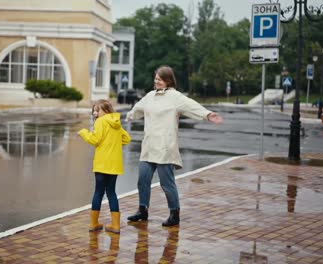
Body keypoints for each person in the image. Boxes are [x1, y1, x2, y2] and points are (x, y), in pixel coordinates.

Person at [126, 65, 223, 226]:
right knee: (142, 179)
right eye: (156, 78)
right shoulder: (149, 96)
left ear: (168, 81)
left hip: (165, 147)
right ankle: (142, 210)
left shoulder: (175, 97)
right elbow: (138, 108)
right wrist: (129, 116)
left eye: (160, 79)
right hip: (149, 146)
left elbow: (192, 105)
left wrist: (207, 114)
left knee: (167, 183)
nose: (156, 81)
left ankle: (174, 213)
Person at [78, 99, 131, 233]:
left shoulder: (101, 122)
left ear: (106, 110)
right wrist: (113, 143)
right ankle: (116, 225)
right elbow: (126, 139)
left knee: (98, 192)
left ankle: (93, 223)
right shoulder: (116, 123)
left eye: (98, 110)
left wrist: (84, 132)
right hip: (114, 165)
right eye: (94, 110)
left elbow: (95, 139)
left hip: (102, 165)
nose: (95, 113)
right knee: (111, 193)